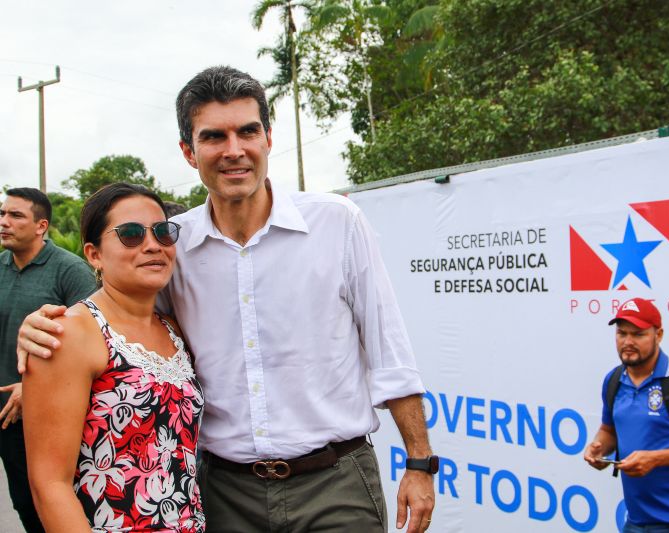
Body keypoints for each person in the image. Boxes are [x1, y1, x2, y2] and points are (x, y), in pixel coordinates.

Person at [18, 66, 435, 533]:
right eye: (214, 136)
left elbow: (389, 350)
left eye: (248, 131)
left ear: (268, 138)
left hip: (335, 483)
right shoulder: (176, 245)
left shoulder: (337, 223)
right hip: (222, 493)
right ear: (188, 152)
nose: (234, 150)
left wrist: (420, 463)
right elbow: (118, 333)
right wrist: (41, 336)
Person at [23, 183, 205, 531]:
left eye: (163, 232)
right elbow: (49, 485)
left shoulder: (173, 330)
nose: (152, 245)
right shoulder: (69, 334)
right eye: (131, 234)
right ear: (93, 254)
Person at [0, 187, 95, 532]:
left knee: (55, 505)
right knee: (23, 503)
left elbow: (97, 336)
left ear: (41, 226)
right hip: (6, 417)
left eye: (15, 215)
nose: (4, 222)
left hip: (51, 415)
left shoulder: (69, 271)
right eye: (2, 214)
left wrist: (32, 387)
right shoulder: (1, 267)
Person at [583, 297, 669, 532]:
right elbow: (608, 430)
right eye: (621, 333)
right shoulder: (614, 380)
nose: (627, 341)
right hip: (637, 520)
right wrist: (598, 448)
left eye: (638, 334)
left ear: (659, 335)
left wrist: (656, 458)